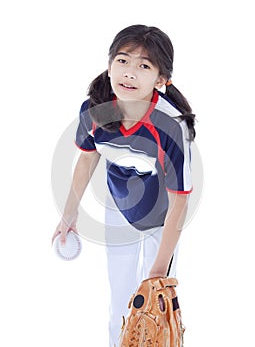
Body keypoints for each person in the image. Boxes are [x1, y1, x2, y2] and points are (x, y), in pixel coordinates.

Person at [52, 24, 196, 346]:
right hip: (121, 204)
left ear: (161, 80)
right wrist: (69, 215)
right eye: (122, 60)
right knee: (120, 298)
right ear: (109, 64)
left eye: (144, 66)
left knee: (154, 301)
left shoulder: (171, 126)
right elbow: (87, 160)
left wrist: (158, 271)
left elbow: (180, 202)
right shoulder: (94, 110)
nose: (129, 73)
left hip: (162, 214)